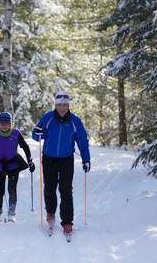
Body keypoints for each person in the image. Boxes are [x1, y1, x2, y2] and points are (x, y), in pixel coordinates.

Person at [32, 91, 91, 234]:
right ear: (56, 105)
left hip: (66, 159)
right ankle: (51, 212)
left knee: (66, 190)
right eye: (60, 105)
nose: (62, 108)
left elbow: (82, 141)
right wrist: (37, 132)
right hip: (49, 158)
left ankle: (67, 221)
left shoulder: (75, 121)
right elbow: (36, 135)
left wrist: (86, 159)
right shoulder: (48, 118)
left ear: (68, 105)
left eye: (65, 105)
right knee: (50, 188)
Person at [0, 112, 35, 222]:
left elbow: (25, 146)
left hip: (13, 165)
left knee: (12, 190)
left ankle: (11, 214)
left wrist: (30, 160)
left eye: (6, 124)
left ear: (10, 124)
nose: (4, 126)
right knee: (0, 191)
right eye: (2, 124)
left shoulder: (16, 133)